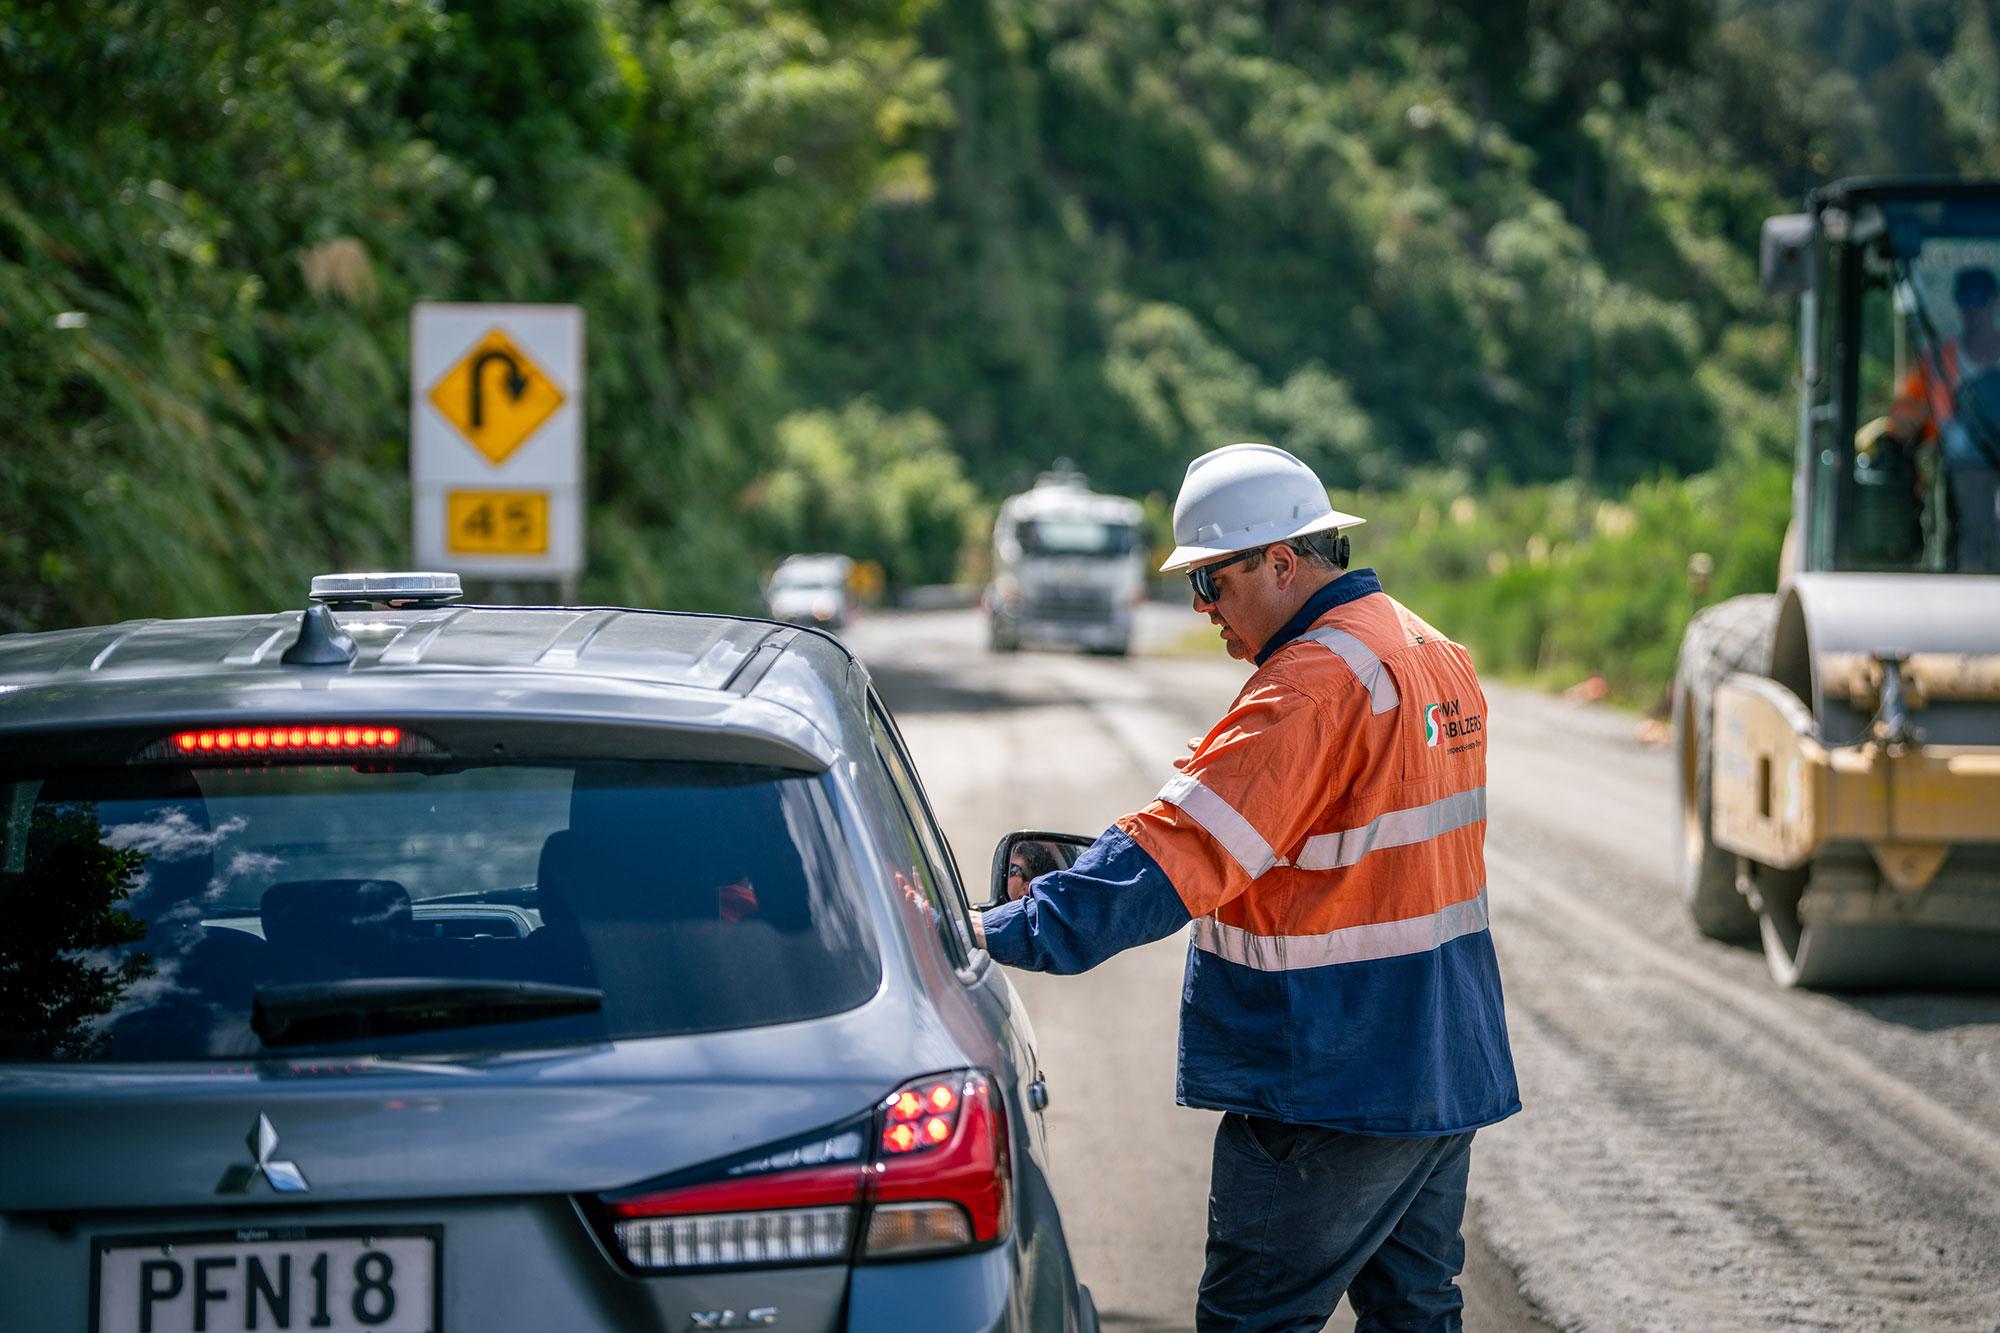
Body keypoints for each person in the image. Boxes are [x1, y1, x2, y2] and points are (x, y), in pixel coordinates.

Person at [974, 442, 1518, 1333]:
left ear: (1280, 561)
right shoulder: (1428, 649)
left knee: (1252, 1322)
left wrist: (996, 929)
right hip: (1441, 1056)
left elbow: (1175, 852)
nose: (1200, 607)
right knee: (1417, 1314)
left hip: (1332, 1075)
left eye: (1212, 582)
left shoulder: (1312, 686)